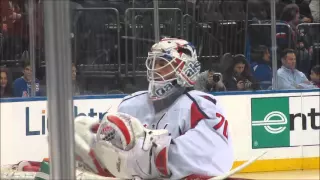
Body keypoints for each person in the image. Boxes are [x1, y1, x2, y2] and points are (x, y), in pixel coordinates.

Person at [74, 38, 234, 179]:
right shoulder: (130, 104)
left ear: (185, 70)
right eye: (154, 62)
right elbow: (116, 155)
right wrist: (96, 147)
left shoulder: (200, 105)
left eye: (163, 63)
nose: (155, 68)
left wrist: (152, 156)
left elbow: (216, 158)